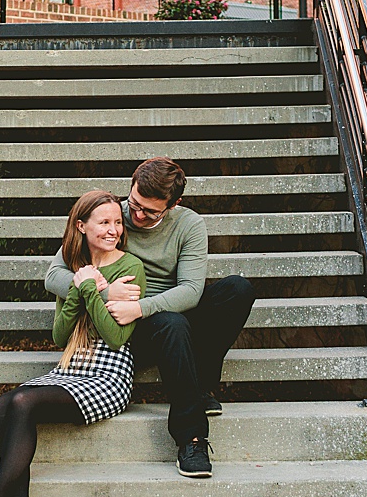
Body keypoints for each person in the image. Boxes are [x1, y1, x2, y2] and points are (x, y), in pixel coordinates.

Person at [0, 190, 146, 497]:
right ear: (81, 226)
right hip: (71, 366)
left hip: (109, 375)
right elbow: (60, 335)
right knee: (1, 403)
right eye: (104, 222)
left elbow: (114, 336)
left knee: (22, 402)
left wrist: (93, 291)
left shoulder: (130, 266)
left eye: (116, 223)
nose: (114, 230)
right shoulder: (72, 267)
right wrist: (80, 288)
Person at [45, 157, 255, 479]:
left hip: (158, 312)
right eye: (135, 204)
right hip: (127, 325)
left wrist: (141, 307)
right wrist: (104, 295)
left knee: (237, 290)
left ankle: (200, 386)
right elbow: (53, 275)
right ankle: (191, 438)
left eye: (150, 211)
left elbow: (189, 291)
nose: (137, 216)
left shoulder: (189, 225)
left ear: (173, 205)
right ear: (132, 186)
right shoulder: (111, 216)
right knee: (171, 323)